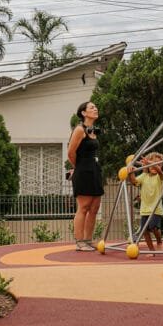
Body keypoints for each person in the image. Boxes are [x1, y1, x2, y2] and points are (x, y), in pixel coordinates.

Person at [68, 101, 103, 251]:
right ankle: (80, 242)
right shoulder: (79, 130)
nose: (95, 109)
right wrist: (79, 167)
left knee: (94, 207)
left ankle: (88, 240)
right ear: (83, 113)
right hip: (83, 171)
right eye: (92, 107)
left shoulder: (93, 130)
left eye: (95, 107)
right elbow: (70, 153)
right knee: (83, 207)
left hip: (94, 170)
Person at [128, 152, 163, 254]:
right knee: (144, 231)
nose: (154, 166)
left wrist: (149, 162)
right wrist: (131, 172)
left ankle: (159, 242)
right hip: (145, 208)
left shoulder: (161, 176)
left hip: (156, 209)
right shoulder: (144, 176)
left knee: (153, 227)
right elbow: (134, 182)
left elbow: (159, 170)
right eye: (152, 164)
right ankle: (151, 250)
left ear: (162, 166)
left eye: (158, 164)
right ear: (147, 167)